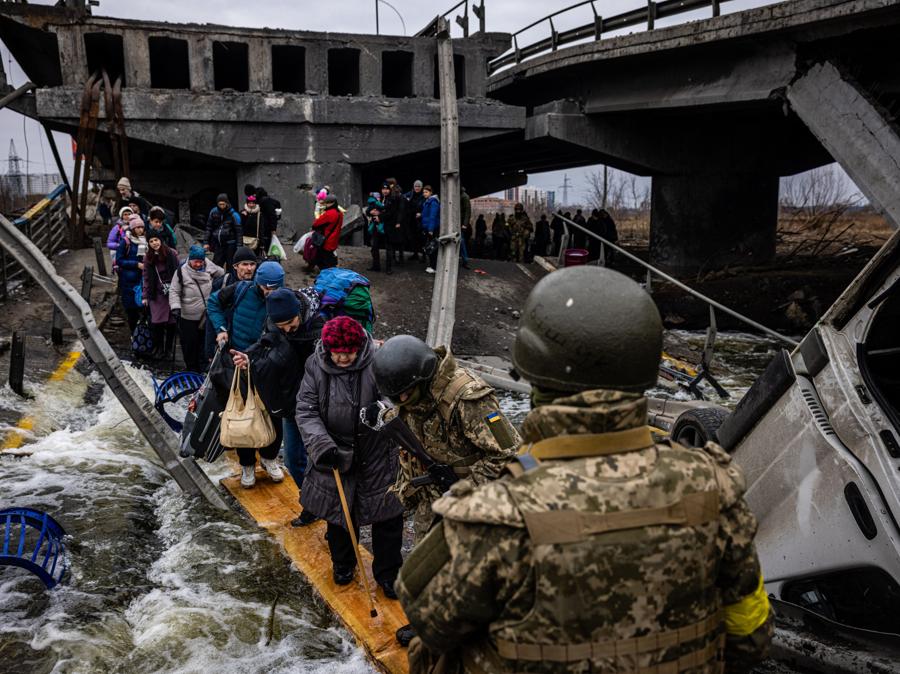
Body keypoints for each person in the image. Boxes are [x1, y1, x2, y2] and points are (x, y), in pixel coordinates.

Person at [395, 266, 774, 674]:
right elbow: (751, 637)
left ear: (533, 372)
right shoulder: (713, 485)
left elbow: (427, 622)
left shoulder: (492, 515)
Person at [372, 335, 520, 542]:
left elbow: (509, 454)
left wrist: (462, 491)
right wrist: (382, 417)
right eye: (397, 397)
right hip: (431, 508)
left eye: (407, 394)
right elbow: (414, 414)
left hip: (473, 508)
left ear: (423, 378)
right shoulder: (415, 391)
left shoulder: (469, 398)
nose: (403, 400)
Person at [296, 316, 404, 596]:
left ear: (359, 347)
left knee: (388, 517)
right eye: (337, 353)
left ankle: (389, 574)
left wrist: (382, 411)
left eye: (349, 353)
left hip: (377, 452)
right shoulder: (315, 365)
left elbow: (395, 398)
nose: (343, 358)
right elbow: (306, 409)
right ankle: (343, 564)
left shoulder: (378, 361)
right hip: (335, 451)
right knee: (340, 514)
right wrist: (322, 445)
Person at [231, 287, 324, 522]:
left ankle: (327, 505)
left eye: (290, 323)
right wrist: (249, 357)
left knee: (319, 459)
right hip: (291, 403)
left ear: (298, 312)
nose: (286, 329)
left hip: (317, 404)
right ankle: (310, 505)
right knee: (292, 459)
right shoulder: (274, 323)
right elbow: (265, 343)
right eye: (281, 325)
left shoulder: (317, 328)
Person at [169, 245, 225, 372]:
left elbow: (222, 275)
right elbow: (174, 291)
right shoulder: (181, 272)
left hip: (206, 315)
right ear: (190, 260)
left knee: (204, 344)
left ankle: (202, 369)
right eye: (196, 261)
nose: (199, 264)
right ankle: (191, 369)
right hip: (187, 316)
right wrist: (175, 307)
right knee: (189, 344)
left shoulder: (209, 266)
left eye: (201, 261)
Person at [204, 246, 258, 360]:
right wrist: (210, 351)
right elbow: (211, 315)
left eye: (252, 264)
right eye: (245, 264)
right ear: (235, 266)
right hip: (225, 340)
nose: (249, 268)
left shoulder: (258, 286)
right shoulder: (223, 283)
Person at [141, 230, 179, 360]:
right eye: (151, 241)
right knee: (157, 322)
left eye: (156, 240)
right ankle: (158, 348)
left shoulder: (172, 253)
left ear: (161, 240)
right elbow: (146, 277)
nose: (154, 243)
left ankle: (168, 350)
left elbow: (179, 272)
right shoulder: (148, 257)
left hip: (172, 291)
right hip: (156, 293)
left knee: (171, 322)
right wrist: (145, 296)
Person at [116, 216, 147, 334]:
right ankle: (134, 334)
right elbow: (119, 260)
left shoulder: (146, 240)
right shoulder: (126, 242)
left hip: (143, 279)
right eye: (137, 227)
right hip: (129, 282)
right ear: (133, 229)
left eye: (142, 227)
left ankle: (144, 335)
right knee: (132, 312)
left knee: (145, 309)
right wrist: (136, 264)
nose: (140, 230)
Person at [204, 193, 243, 270]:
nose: (221, 206)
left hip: (231, 244)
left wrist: (239, 246)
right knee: (215, 266)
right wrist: (206, 242)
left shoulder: (234, 214)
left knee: (231, 266)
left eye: (223, 204)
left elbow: (239, 231)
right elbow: (208, 227)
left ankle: (230, 277)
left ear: (227, 203)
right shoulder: (213, 212)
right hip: (218, 244)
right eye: (220, 204)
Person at [311, 194, 343, 270]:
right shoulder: (340, 213)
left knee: (324, 260)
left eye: (327, 203)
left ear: (332, 203)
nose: (325, 204)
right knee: (329, 257)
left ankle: (328, 273)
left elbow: (315, 224)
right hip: (334, 239)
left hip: (326, 240)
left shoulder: (329, 213)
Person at [403, 180, 426, 262]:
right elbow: (402, 197)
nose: (417, 188)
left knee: (422, 239)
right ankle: (415, 254)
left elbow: (427, 208)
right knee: (413, 238)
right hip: (411, 219)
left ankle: (424, 256)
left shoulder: (424, 195)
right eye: (416, 186)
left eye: (419, 186)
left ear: (421, 187)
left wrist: (422, 214)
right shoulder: (410, 194)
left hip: (420, 220)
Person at [366, 194, 389, 274]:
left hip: (384, 227)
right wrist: (371, 212)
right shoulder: (375, 203)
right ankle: (376, 266)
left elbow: (389, 212)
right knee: (374, 247)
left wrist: (379, 214)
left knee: (387, 248)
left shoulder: (388, 201)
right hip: (376, 228)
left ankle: (387, 268)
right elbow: (368, 211)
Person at [420, 185, 440, 274]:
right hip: (428, 227)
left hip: (432, 228)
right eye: (423, 192)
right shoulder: (428, 201)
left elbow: (433, 216)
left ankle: (434, 267)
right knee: (430, 247)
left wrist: (431, 229)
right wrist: (421, 215)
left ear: (431, 192)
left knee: (433, 247)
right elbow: (427, 214)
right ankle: (432, 265)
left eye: (426, 192)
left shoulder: (433, 202)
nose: (424, 194)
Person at [107, 206, 132, 271]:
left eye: (129, 214)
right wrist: (119, 245)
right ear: (122, 216)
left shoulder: (136, 226)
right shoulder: (117, 228)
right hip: (121, 252)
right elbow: (109, 243)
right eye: (125, 214)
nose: (127, 216)